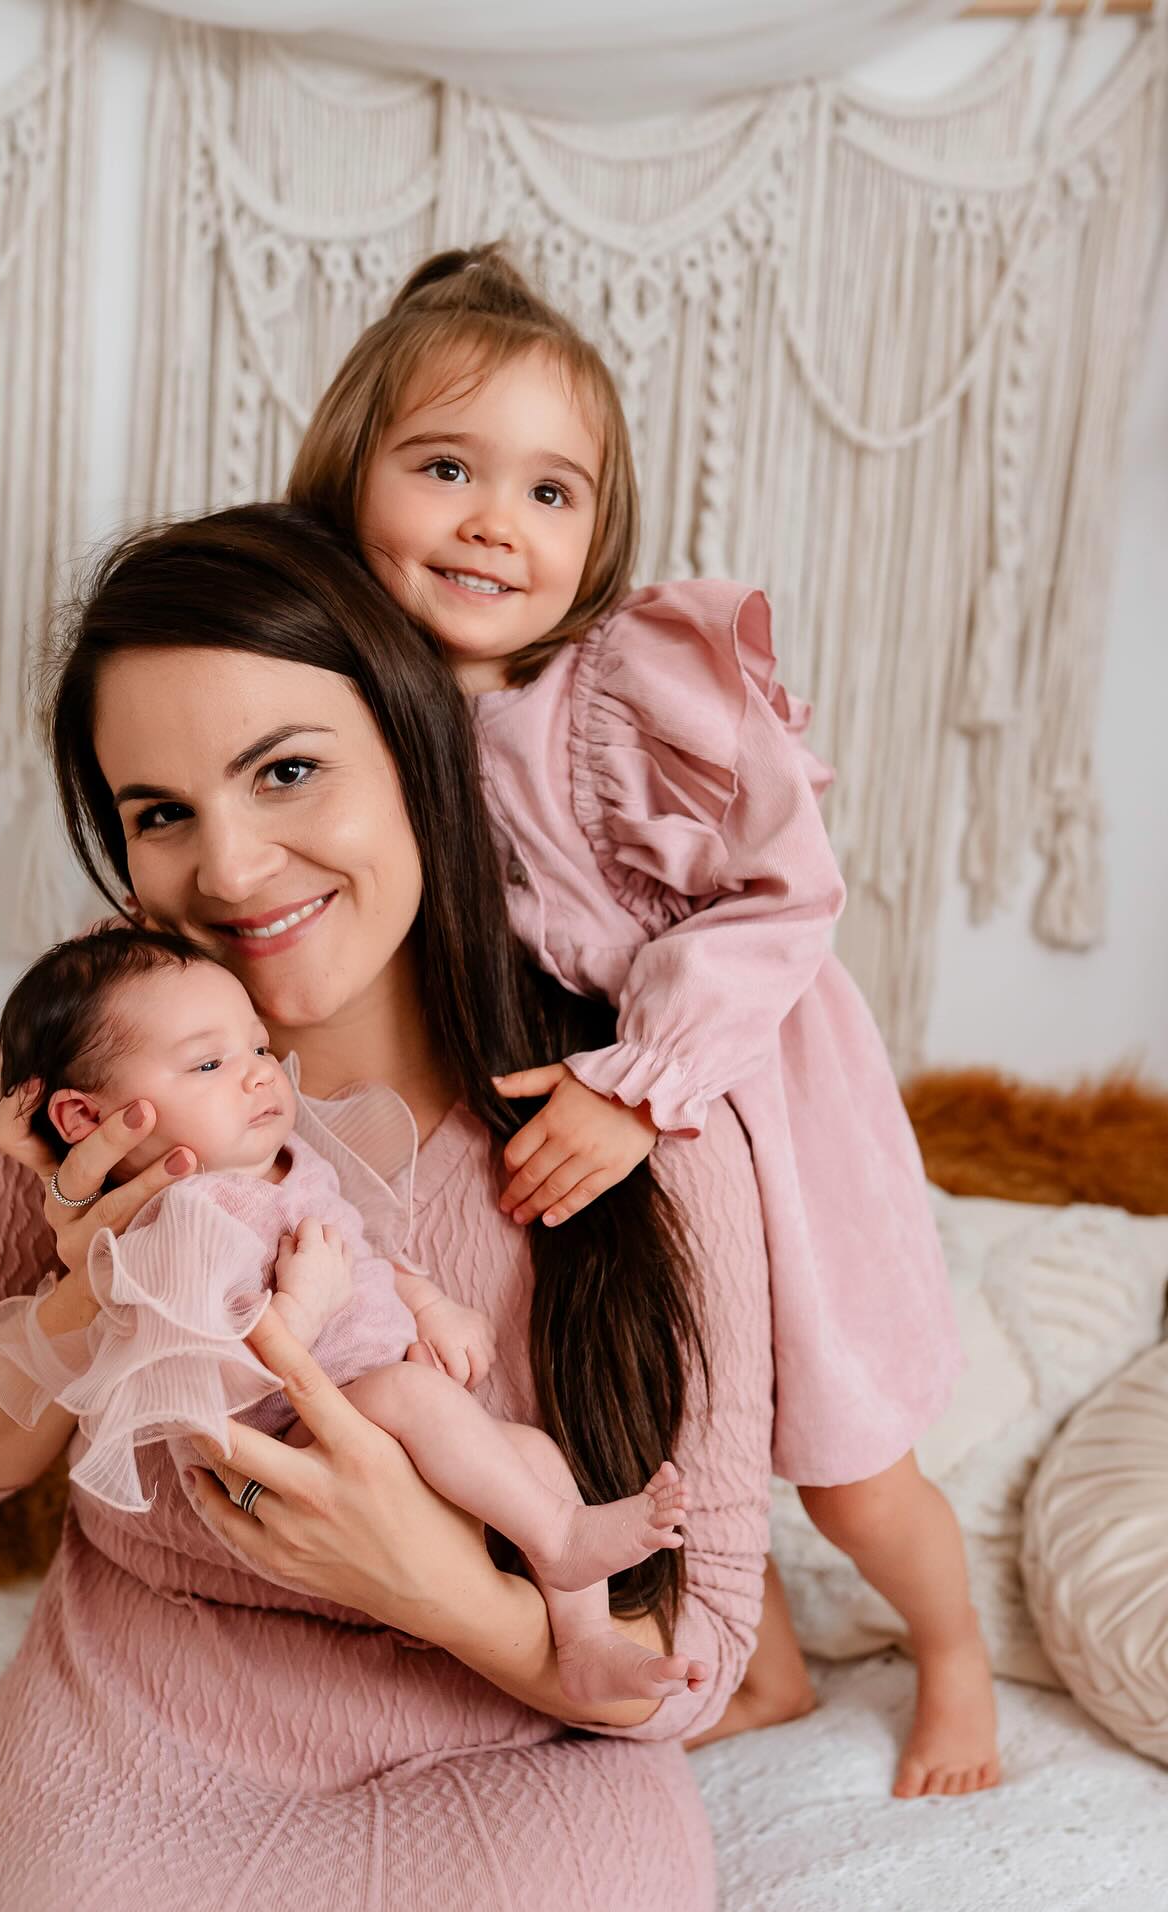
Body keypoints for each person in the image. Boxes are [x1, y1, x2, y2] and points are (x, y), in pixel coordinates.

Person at [0, 503, 772, 1912]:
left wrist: (436, 1587)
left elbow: (698, 1651)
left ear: (418, 752)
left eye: (286, 771)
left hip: (514, 1733)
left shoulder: (631, 1091)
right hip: (146, 1732)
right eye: (161, 814)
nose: (228, 870)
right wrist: (88, 1305)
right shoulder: (107, 1059)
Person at [285, 243, 998, 1800]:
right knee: (671, 1418)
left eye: (552, 492)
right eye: (447, 469)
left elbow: (786, 898)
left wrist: (645, 1082)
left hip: (745, 1092)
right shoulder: (351, 711)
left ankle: (955, 1653)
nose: (496, 520)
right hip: (594, 1132)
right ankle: (770, 1664)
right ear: (348, 477)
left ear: (598, 531)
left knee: (848, 1460)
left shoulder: (623, 693)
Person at [0, 923, 701, 1706]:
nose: (259, 1075)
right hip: (296, 1445)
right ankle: (558, 1538)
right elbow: (199, 1385)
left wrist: (430, 1305)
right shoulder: (177, 1224)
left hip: (381, 1411)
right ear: (86, 1120)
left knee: (533, 1456)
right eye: (210, 1064)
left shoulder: (294, 1159)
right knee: (417, 1400)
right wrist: (301, 1307)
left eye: (258, 1047)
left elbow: (360, 1248)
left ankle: (584, 1639)